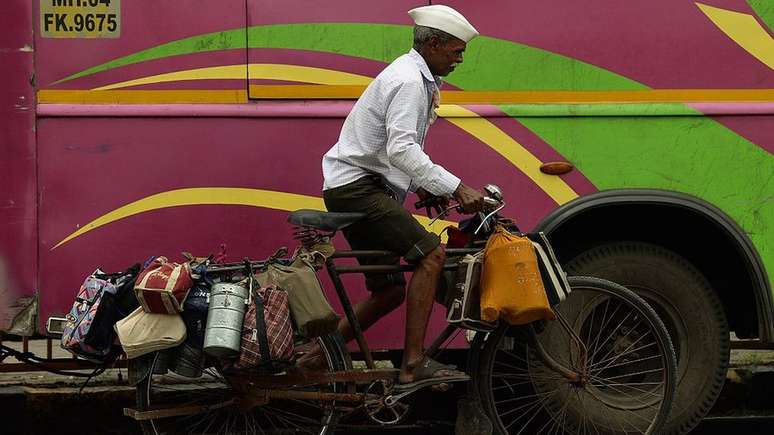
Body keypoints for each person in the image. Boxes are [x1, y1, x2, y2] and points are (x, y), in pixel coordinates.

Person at [311, 4, 484, 388]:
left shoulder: (416, 77)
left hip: (353, 187)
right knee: (432, 254)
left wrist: (425, 185)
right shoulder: (408, 81)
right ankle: (413, 364)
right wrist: (457, 187)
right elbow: (401, 150)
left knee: (388, 292)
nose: (459, 59)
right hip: (357, 190)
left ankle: (311, 360)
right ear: (434, 43)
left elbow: (394, 150)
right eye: (456, 51)